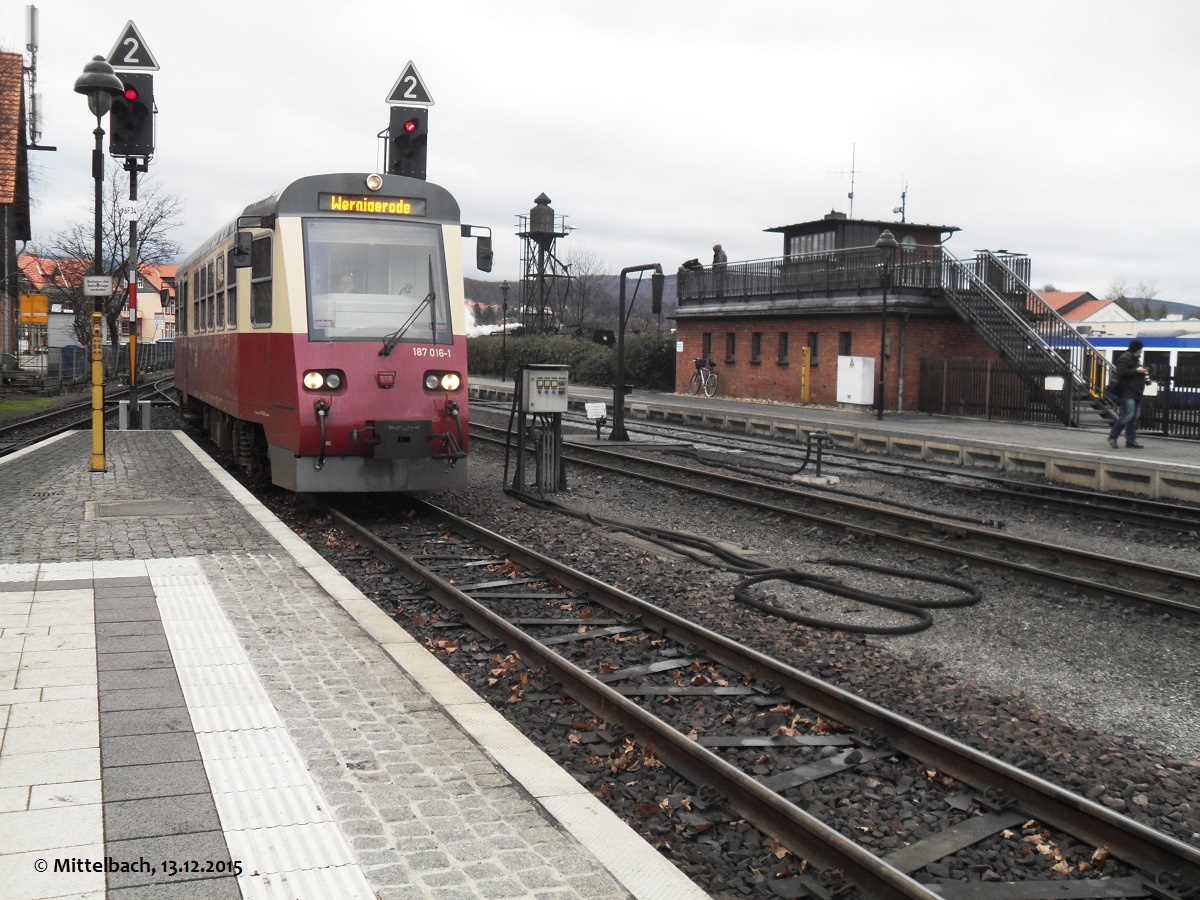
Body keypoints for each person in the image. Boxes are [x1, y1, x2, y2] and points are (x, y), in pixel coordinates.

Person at [1107, 338, 1149, 449]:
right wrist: (1136, 371)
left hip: (1136, 393)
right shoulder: (1125, 358)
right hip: (1127, 392)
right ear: (1137, 349)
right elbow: (1120, 372)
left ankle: (1130, 441)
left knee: (1133, 418)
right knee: (1128, 416)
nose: (1141, 351)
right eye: (1140, 349)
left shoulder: (1135, 359)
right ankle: (1113, 437)